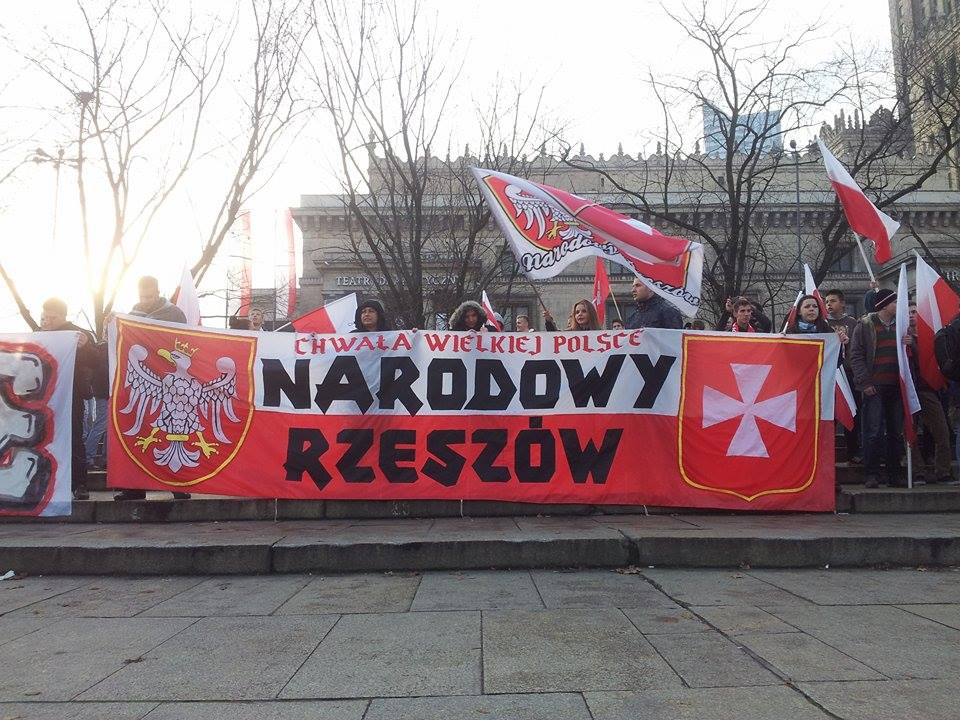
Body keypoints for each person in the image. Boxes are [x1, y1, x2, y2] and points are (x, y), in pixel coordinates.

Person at [115, 276, 190, 501]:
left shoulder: (174, 314)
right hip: (142, 383)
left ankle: (177, 485)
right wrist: (113, 324)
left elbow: (186, 343)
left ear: (158, 292)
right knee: (138, 435)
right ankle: (134, 487)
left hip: (170, 384)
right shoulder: (132, 315)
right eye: (142, 296)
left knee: (172, 433)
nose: (145, 300)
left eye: (149, 296)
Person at [40, 298, 97, 501]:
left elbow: (97, 362)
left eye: (53, 318)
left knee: (74, 439)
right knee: (43, 438)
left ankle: (79, 484)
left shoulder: (79, 335)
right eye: (45, 317)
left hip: (71, 395)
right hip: (44, 398)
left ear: (64, 316)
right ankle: (45, 483)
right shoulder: (40, 335)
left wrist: (86, 346)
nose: (48, 321)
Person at [849, 289, 906, 488]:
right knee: (873, 431)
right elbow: (856, 355)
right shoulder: (865, 325)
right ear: (884, 305)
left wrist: (911, 344)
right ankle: (872, 473)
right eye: (895, 302)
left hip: (896, 386)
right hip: (874, 386)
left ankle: (894, 474)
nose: (898, 305)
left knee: (895, 432)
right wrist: (865, 382)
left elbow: (909, 354)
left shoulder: (901, 325)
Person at [907, 302, 956, 484]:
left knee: (941, 431)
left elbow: (929, 359)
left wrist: (915, 345)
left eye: (914, 312)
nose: (911, 316)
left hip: (928, 389)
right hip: (908, 389)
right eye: (908, 313)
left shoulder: (930, 337)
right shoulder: (901, 336)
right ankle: (917, 471)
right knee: (910, 434)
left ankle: (943, 471)